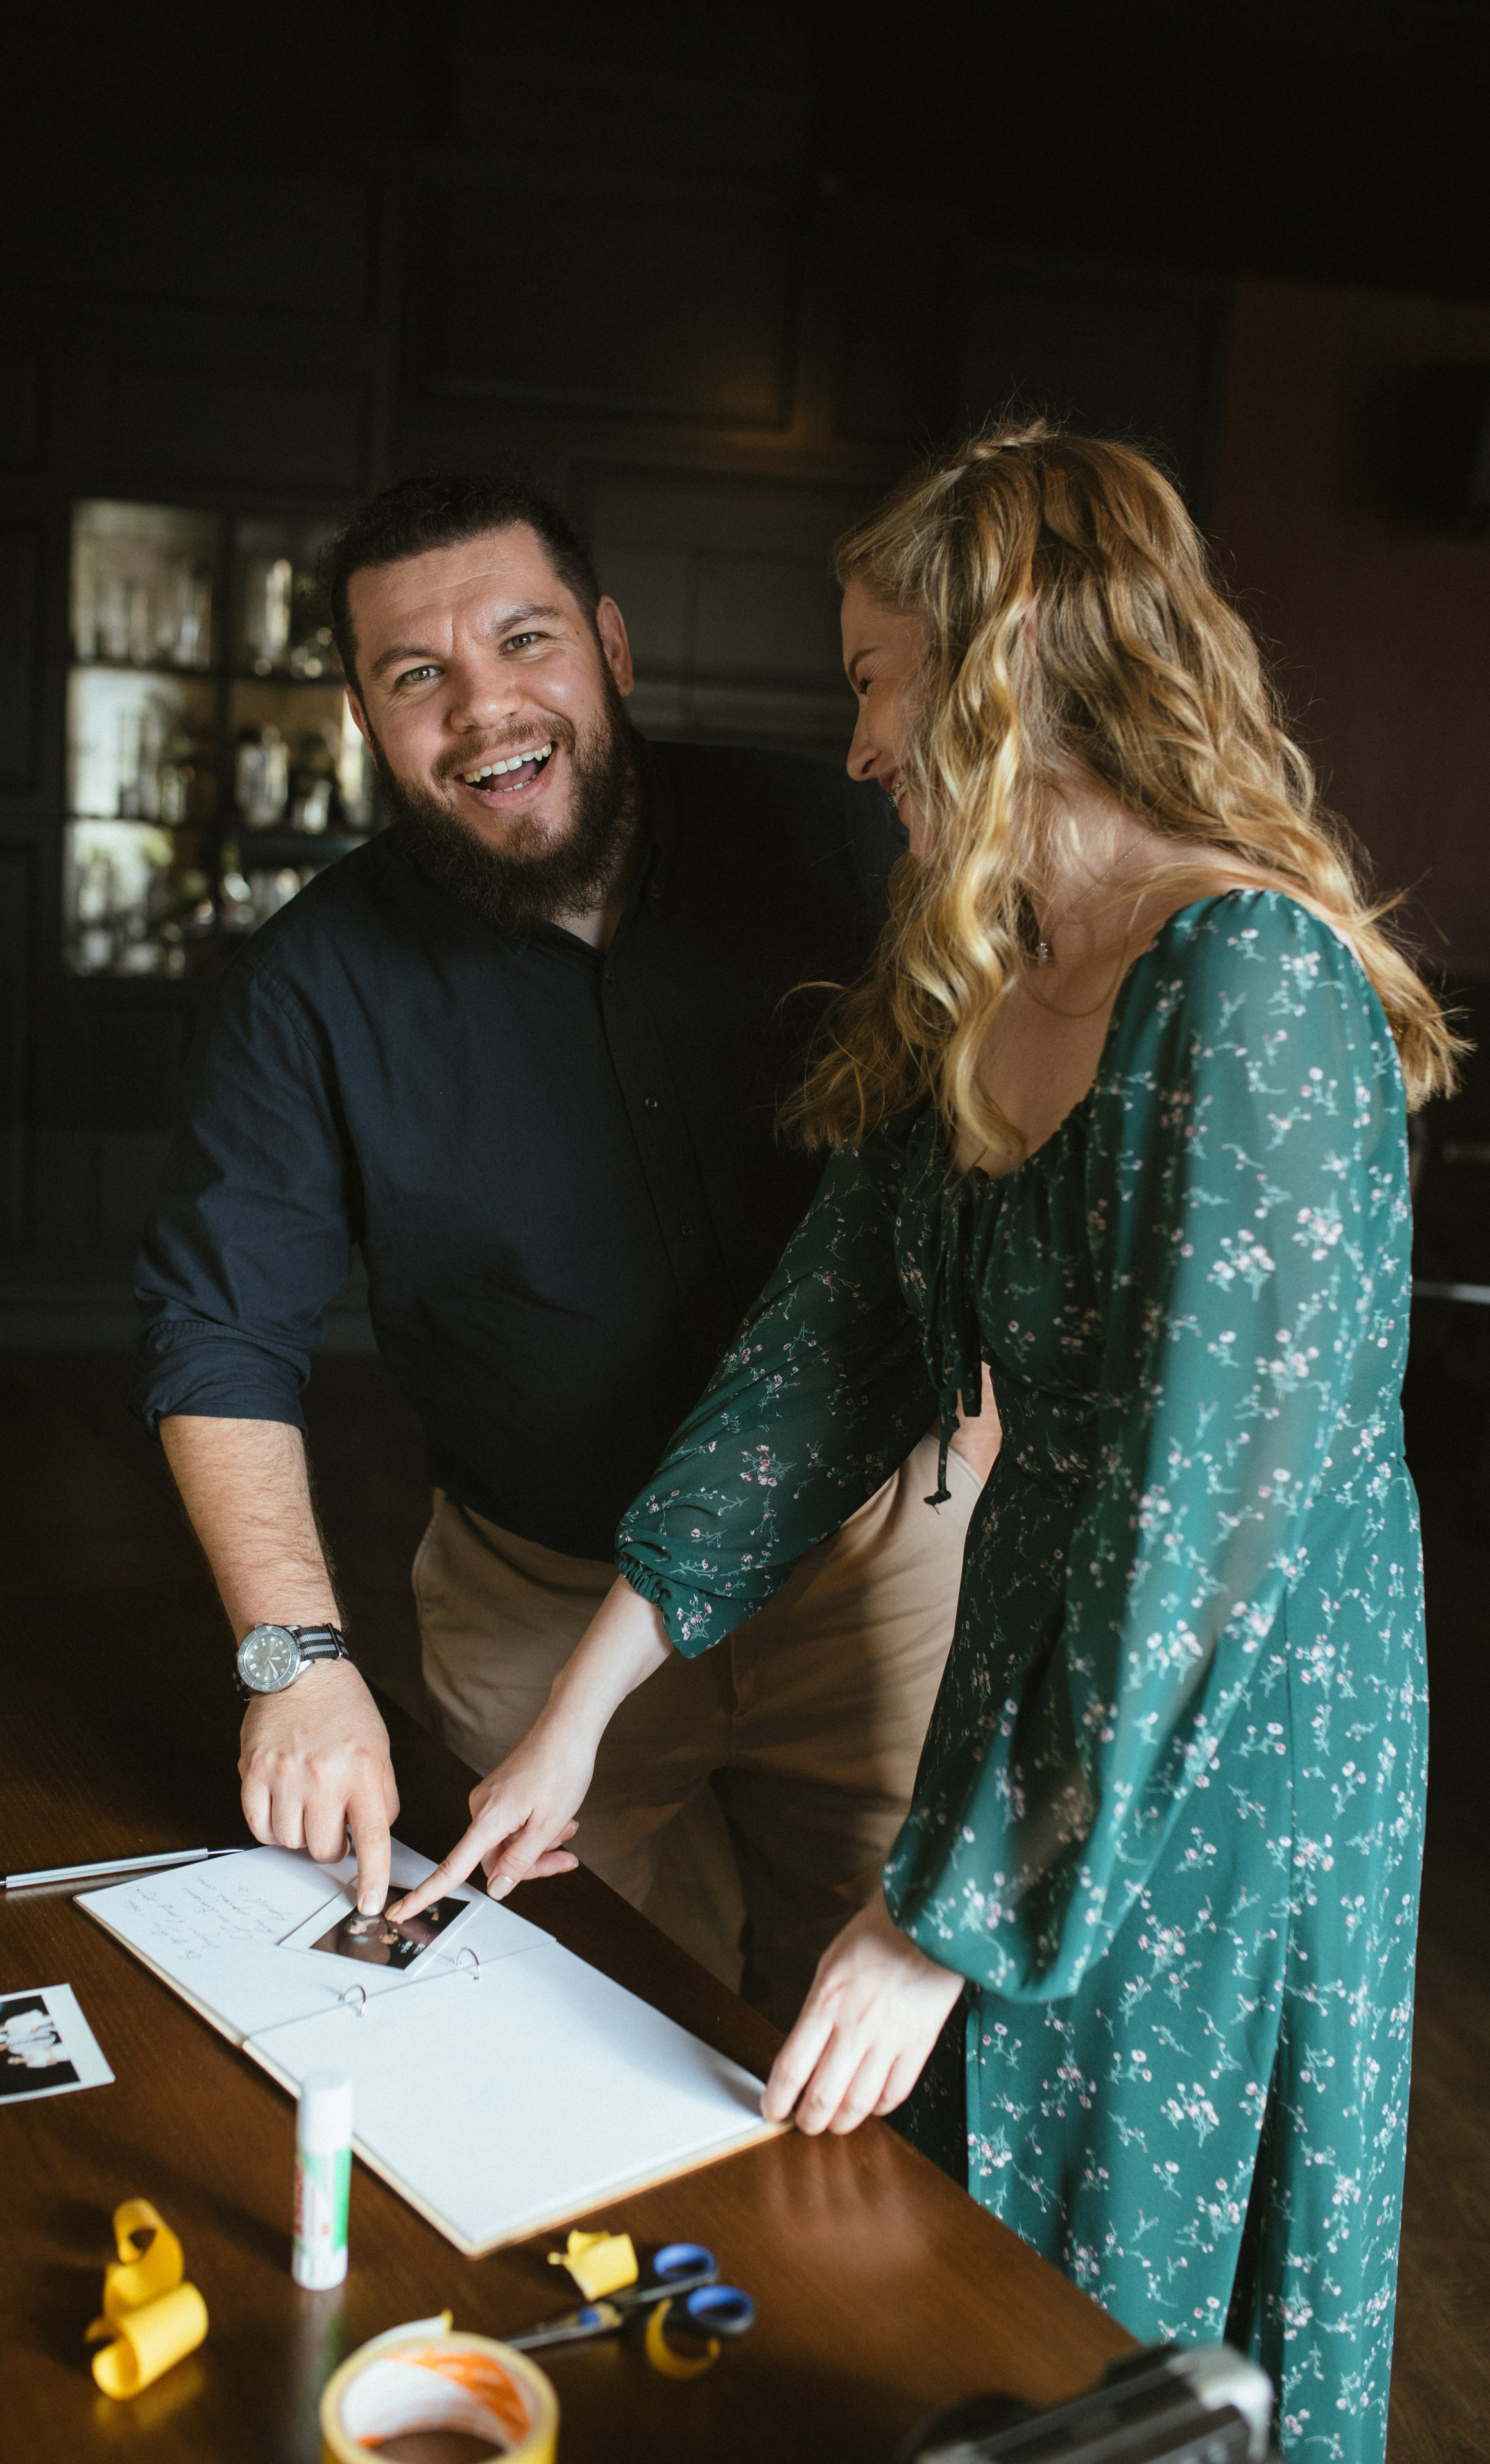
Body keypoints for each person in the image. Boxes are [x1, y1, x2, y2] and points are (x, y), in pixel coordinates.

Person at [393, 425, 1456, 2460]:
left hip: (1231, 1772)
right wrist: (583, 1711)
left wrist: (941, 1913)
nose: (860, 744)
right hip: (1033, 1703)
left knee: (1130, 2301)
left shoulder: (1253, 984)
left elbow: (1191, 1547)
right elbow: (818, 1365)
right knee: (978, 2250)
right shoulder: (994, 972)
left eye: (880, 677)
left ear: (1006, 662)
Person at [134, 471, 992, 2026]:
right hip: (534, 1600)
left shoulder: (850, 840)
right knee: (550, 2022)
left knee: (877, 2043)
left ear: (609, 645)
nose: (482, 709)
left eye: (523, 640)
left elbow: (1007, 1154)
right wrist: (294, 1659)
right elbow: (219, 1332)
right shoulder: (306, 982)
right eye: (416, 676)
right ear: (361, 718)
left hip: (875, 1575)